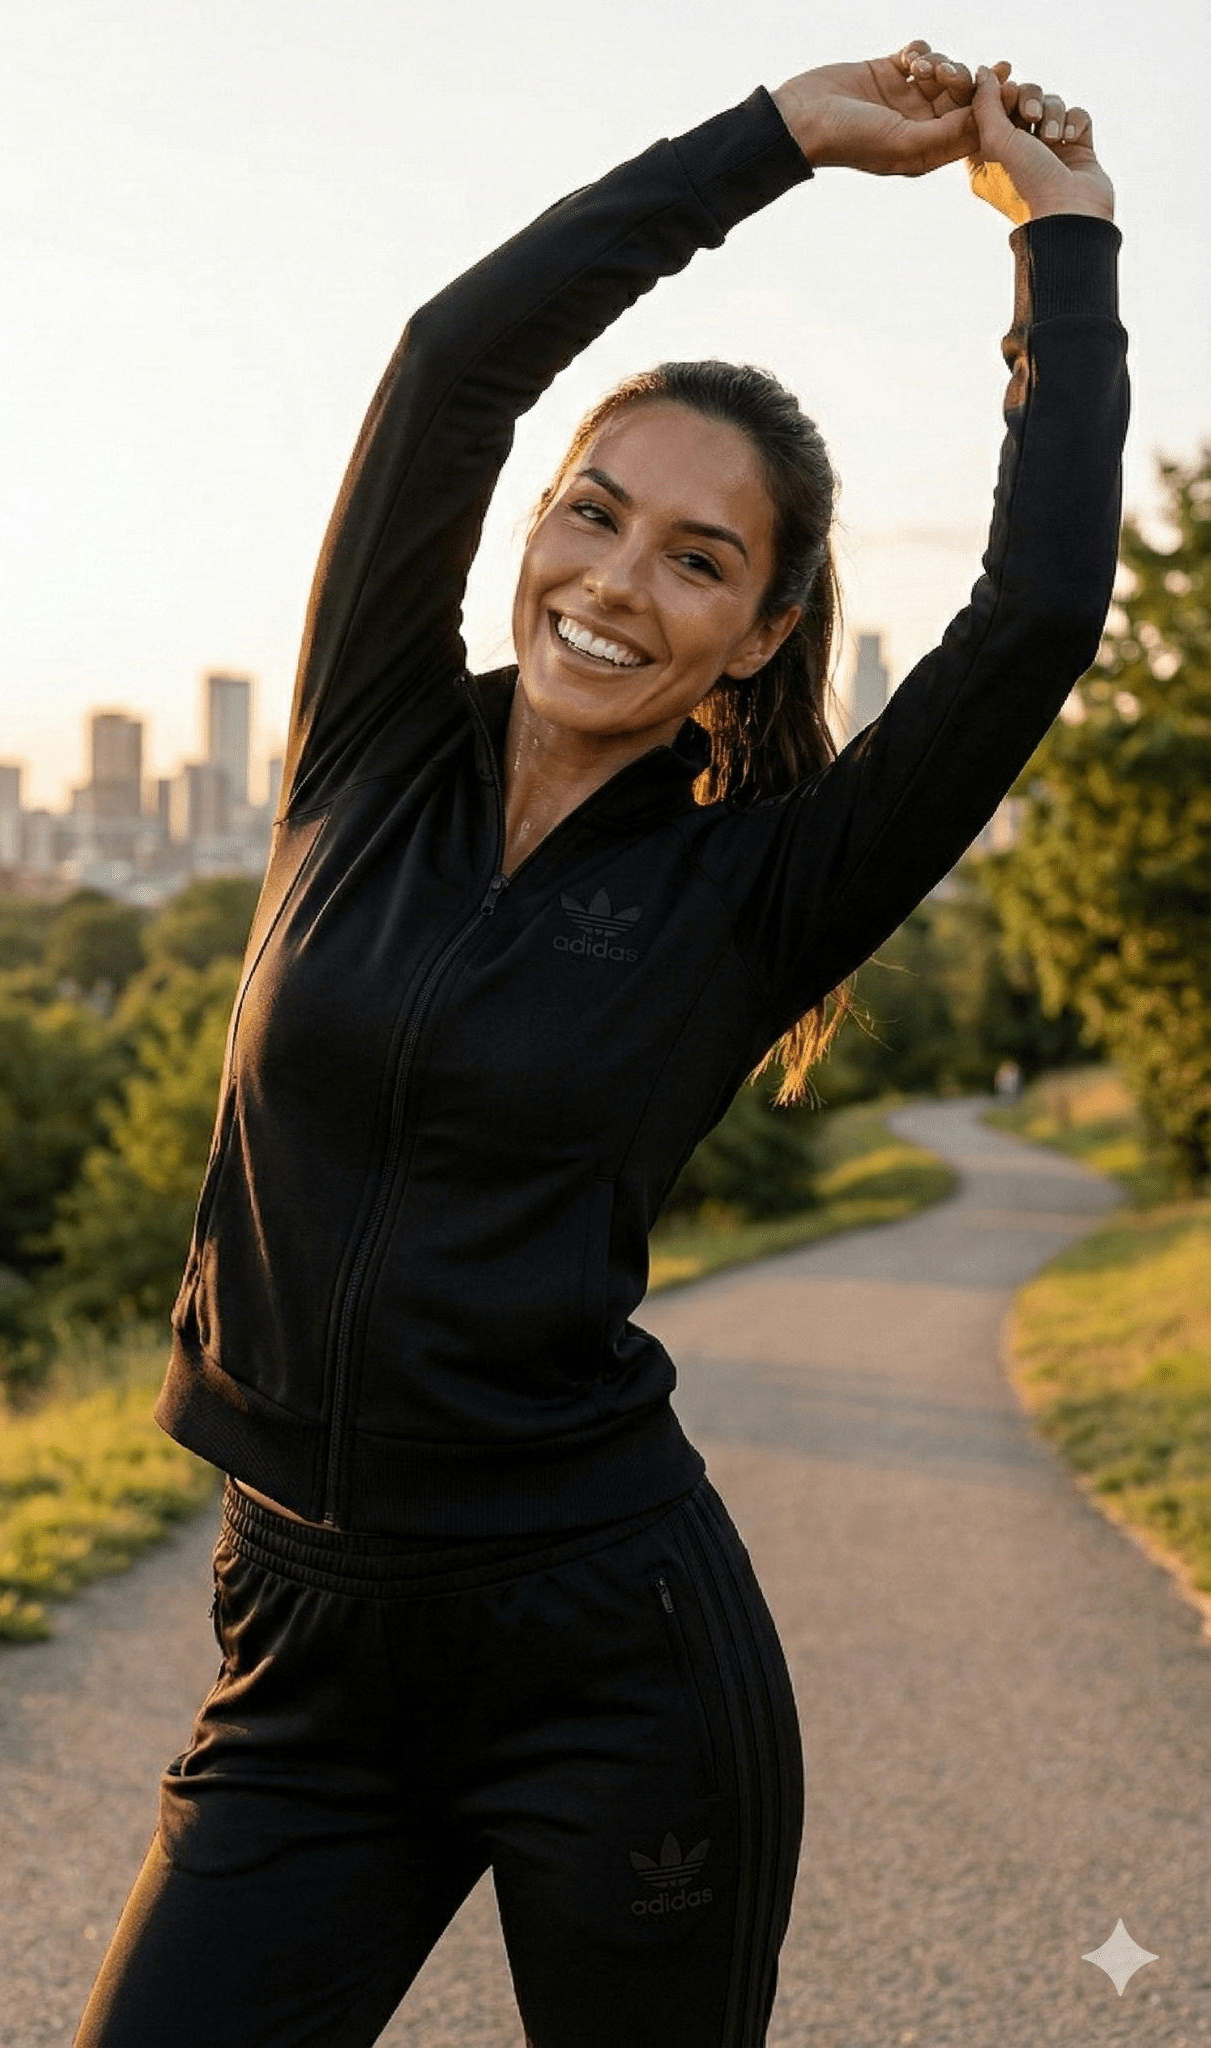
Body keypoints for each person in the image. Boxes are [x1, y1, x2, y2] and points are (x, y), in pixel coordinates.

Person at [77, 38, 1125, 2048]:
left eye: (697, 561)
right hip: (296, 1650)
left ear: (755, 633)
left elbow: (1038, 609)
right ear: (533, 526)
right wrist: (778, 141)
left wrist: (1058, 249)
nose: (616, 584)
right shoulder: (369, 743)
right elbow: (452, 360)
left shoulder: (758, 892)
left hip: (609, 1665)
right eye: (598, 514)